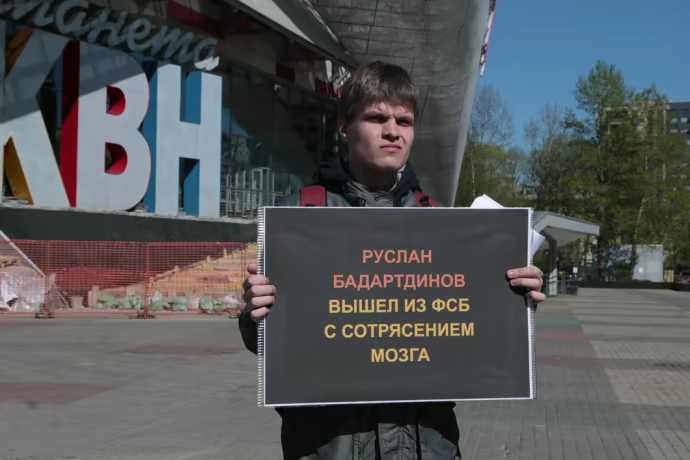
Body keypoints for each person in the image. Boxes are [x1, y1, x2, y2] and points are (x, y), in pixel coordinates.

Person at [239, 61, 545, 460]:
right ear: (344, 127)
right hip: (330, 446)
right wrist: (255, 315)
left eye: (404, 121)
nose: (392, 131)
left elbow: (473, 336)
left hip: (426, 447)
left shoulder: (444, 226)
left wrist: (515, 299)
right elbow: (267, 344)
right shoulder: (297, 218)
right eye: (376, 118)